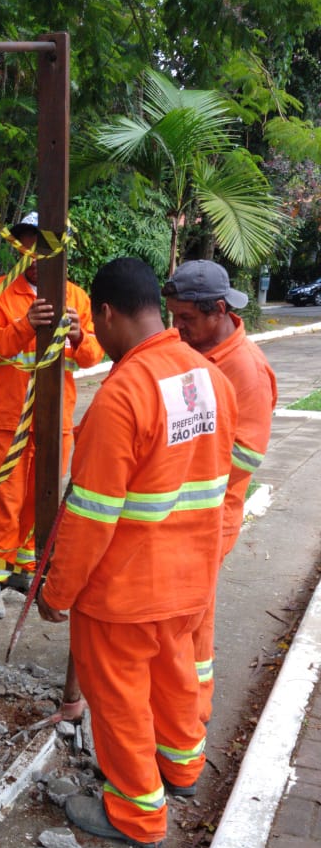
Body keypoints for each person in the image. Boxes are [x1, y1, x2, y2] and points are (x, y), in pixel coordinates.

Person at [37, 257, 238, 848]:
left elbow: (91, 516)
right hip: (190, 580)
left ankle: (136, 813)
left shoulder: (123, 395)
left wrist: (58, 592)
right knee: (175, 679)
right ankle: (180, 770)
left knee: (119, 699)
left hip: (123, 591)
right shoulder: (210, 379)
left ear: (104, 312)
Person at [0, 212, 104, 620]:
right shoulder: (1, 291)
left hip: (55, 418)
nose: (37, 253)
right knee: (5, 498)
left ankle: (24, 568)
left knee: (41, 496)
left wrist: (80, 336)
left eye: (46, 245)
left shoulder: (76, 297)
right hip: (10, 417)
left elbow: (94, 354)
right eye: (30, 243)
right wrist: (24, 326)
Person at [162, 260, 277, 722]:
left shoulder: (245, 370)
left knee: (193, 615)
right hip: (179, 508)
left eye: (186, 319)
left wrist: (170, 474)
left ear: (219, 310)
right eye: (173, 317)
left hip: (209, 516)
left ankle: (194, 710)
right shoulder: (196, 349)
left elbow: (244, 458)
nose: (177, 328)